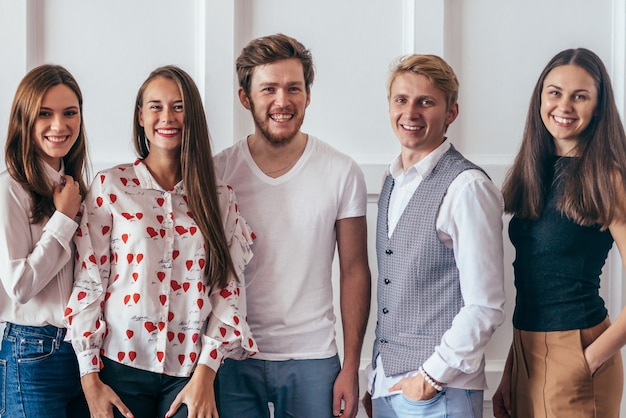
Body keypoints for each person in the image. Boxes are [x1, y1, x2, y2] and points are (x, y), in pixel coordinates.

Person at [64, 65, 258, 418]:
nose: (167, 116)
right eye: (155, 106)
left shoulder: (219, 198)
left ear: (193, 115)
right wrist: (89, 377)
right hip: (118, 366)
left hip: (191, 374)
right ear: (140, 115)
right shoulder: (111, 186)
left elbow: (228, 289)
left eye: (179, 106)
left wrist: (206, 373)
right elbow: (90, 280)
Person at [213, 33, 371, 418]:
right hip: (231, 354)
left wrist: (351, 367)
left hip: (313, 358)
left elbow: (354, 271)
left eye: (293, 88)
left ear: (308, 95)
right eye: (269, 89)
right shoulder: (218, 172)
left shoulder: (341, 171)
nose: (282, 102)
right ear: (245, 98)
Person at [363, 54, 506, 418]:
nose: (410, 113)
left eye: (426, 102)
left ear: (451, 112)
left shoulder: (467, 187)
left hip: (438, 394)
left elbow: (484, 306)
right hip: (388, 387)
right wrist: (375, 378)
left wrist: (428, 379)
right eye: (402, 100)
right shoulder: (392, 180)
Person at [492, 48, 626, 418]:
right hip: (525, 351)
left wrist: (589, 359)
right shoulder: (535, 171)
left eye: (579, 96)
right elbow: (536, 282)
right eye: (554, 92)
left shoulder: (608, 178)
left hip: (577, 351)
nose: (564, 106)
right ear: (540, 98)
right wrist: (511, 368)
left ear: (598, 106)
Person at [0, 64, 90, 417]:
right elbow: (19, 285)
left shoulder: (72, 184)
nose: (59, 125)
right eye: (45, 114)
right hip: (32, 353)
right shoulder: (10, 187)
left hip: (81, 353)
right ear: (25, 119)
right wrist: (64, 219)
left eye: (70, 113)